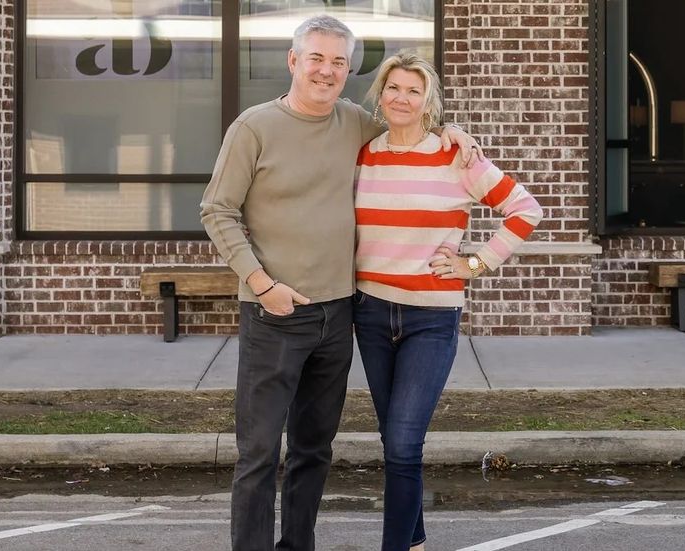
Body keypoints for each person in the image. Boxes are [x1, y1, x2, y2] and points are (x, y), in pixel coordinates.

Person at [200, 16, 480, 551]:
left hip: (339, 314)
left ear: (348, 69)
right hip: (274, 312)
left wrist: (451, 133)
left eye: (338, 62)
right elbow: (217, 210)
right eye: (316, 58)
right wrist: (261, 284)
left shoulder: (354, 122)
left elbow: (409, 123)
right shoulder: (253, 127)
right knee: (258, 453)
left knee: (313, 450)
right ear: (293, 62)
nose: (327, 71)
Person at [352, 53, 544, 551]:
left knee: (403, 442)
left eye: (413, 91)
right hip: (370, 312)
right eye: (393, 88)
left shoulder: (458, 158)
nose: (401, 98)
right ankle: (413, 540)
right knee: (394, 440)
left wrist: (475, 264)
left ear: (427, 101)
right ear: (380, 94)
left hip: (431, 318)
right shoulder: (363, 156)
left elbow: (526, 209)